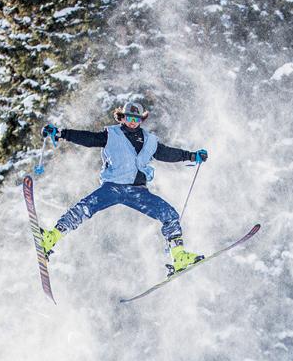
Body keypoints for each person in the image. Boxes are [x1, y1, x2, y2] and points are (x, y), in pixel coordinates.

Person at [38, 101, 208, 277]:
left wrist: (191, 155)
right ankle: (51, 238)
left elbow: (167, 153)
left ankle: (178, 256)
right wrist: (61, 133)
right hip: (113, 187)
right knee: (84, 208)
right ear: (123, 117)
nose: (133, 122)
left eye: (137, 119)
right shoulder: (111, 134)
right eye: (129, 118)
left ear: (141, 120)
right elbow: (88, 138)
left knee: (170, 214)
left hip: (138, 192)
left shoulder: (149, 140)